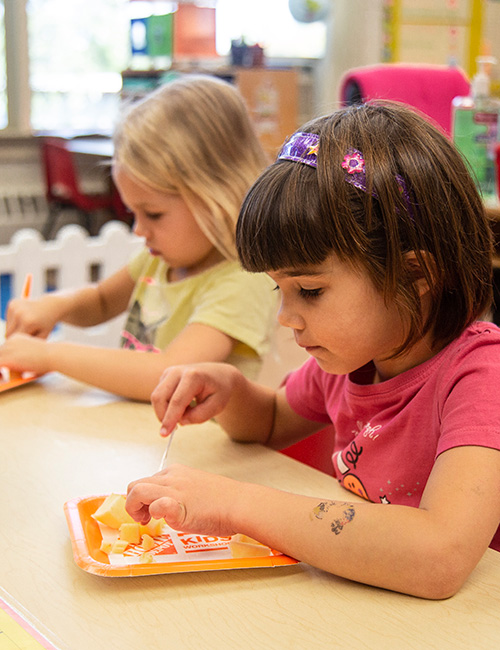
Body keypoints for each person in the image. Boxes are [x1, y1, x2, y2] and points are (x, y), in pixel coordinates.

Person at [125, 101, 500, 599]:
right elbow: (272, 422)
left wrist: (235, 503)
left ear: (416, 274)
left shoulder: (481, 377)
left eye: (310, 290)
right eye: (278, 289)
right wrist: (230, 389)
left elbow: (438, 556)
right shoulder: (356, 359)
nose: (286, 316)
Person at [0, 75, 276, 401]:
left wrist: (49, 355)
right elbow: (101, 300)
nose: (139, 230)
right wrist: (54, 306)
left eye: (154, 214)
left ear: (219, 196)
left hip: (198, 449)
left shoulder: (244, 281)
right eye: (133, 214)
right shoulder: (158, 259)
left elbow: (166, 374)